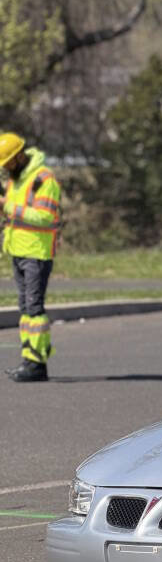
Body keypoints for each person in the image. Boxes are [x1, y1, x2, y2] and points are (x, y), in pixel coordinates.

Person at [1, 133, 62, 382]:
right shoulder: (16, 180)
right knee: (26, 308)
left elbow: (45, 216)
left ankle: (37, 364)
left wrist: (7, 206)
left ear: (17, 157)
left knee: (34, 308)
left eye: (6, 162)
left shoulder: (43, 179)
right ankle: (30, 360)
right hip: (18, 250)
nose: (4, 168)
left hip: (36, 253)